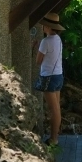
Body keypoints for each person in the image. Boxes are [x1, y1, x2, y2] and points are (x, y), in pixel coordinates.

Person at [36, 12, 65, 146]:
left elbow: (38, 61)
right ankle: (55, 137)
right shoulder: (58, 40)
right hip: (58, 76)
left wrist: (34, 48)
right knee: (56, 108)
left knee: (54, 110)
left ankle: (53, 140)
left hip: (49, 77)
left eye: (44, 25)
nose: (43, 27)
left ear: (48, 27)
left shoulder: (45, 41)